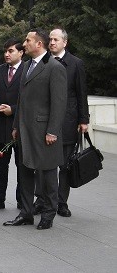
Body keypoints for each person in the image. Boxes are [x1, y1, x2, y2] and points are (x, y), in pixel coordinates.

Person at [3, 28, 67, 230]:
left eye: (28, 40)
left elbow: (59, 103)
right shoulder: (27, 66)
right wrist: (15, 126)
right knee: (25, 172)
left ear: (39, 44)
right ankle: (26, 213)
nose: (24, 43)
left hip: (44, 131)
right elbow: (21, 100)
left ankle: (48, 213)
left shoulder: (55, 68)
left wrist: (53, 131)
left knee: (47, 173)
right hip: (24, 130)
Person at [33, 28, 89, 217]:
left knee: (65, 165)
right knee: (43, 164)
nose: (52, 42)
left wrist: (84, 119)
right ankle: (41, 200)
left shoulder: (76, 64)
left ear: (65, 42)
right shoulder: (42, 62)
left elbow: (81, 93)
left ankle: (61, 202)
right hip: (45, 122)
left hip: (67, 122)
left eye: (56, 39)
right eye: (50, 39)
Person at [0, 39, 25, 211]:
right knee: (0, 165)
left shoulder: (28, 70)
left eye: (11, 51)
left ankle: (21, 199)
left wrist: (14, 109)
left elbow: (32, 100)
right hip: (1, 127)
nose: (7, 54)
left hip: (21, 128)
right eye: (5, 51)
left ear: (21, 52)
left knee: (22, 166)